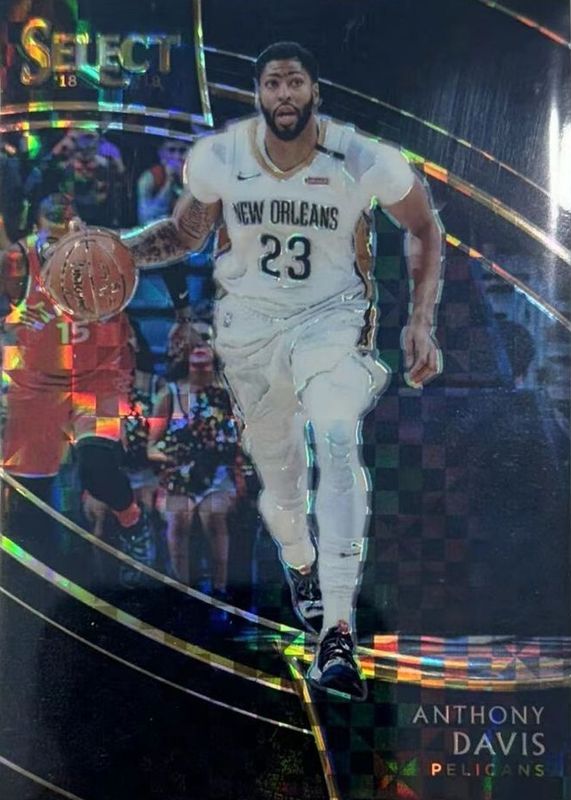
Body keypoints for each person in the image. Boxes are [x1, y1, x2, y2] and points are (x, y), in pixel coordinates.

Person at [112, 41, 443, 697]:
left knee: (337, 438)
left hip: (333, 323)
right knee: (283, 492)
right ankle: (302, 566)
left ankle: (338, 632)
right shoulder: (221, 158)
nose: (284, 94)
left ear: (314, 91)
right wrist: (117, 249)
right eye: (272, 84)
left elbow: (424, 226)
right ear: (258, 94)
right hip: (251, 334)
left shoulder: (361, 157)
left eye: (295, 82)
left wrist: (420, 320)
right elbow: (182, 235)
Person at [0, 193, 155, 583]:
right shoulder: (17, 262)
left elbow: (166, 254)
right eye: (51, 240)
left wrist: (184, 314)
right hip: (39, 387)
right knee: (27, 500)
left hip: (98, 380)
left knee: (96, 466)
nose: (59, 248)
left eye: (67, 236)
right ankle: (33, 583)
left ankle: (134, 522)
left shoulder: (103, 253)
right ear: (36, 233)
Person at [147, 330, 238, 602]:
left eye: (206, 341)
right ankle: (183, 594)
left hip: (218, 477)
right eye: (194, 343)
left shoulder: (229, 393)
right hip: (178, 478)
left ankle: (220, 593)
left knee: (213, 513)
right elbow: (151, 447)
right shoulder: (169, 394)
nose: (200, 347)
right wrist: (174, 457)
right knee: (178, 516)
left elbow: (242, 439)